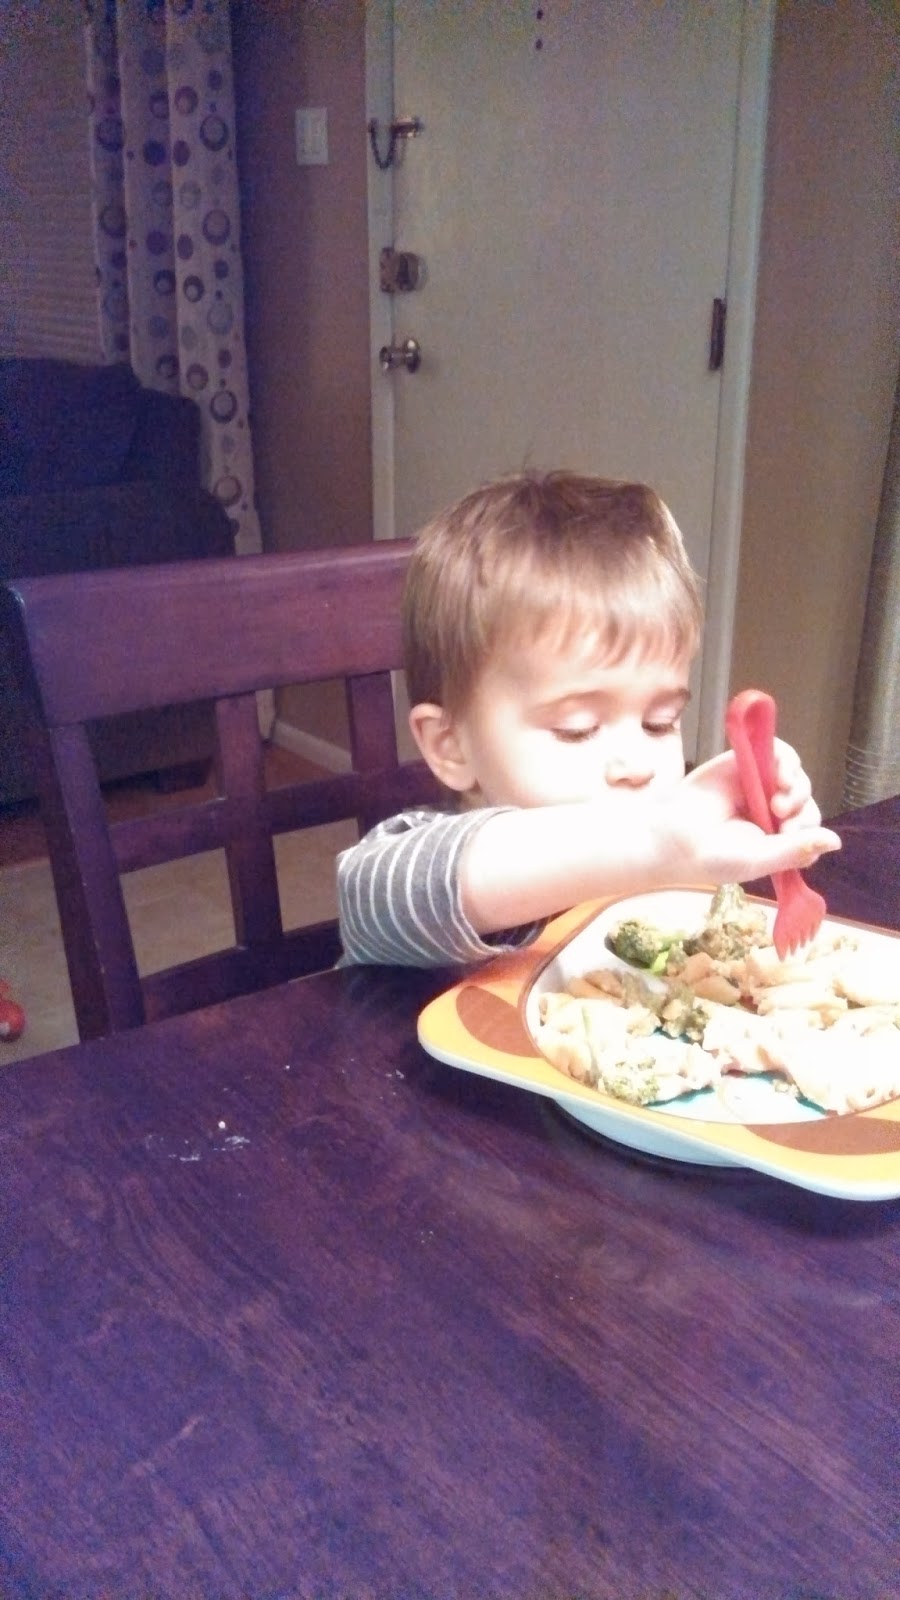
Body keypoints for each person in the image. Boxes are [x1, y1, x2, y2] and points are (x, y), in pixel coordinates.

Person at [337, 471, 840, 966]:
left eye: (660, 722)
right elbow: (369, 895)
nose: (638, 765)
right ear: (451, 746)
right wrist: (653, 845)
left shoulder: (657, 843)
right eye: (577, 729)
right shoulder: (414, 863)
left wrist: (741, 820)